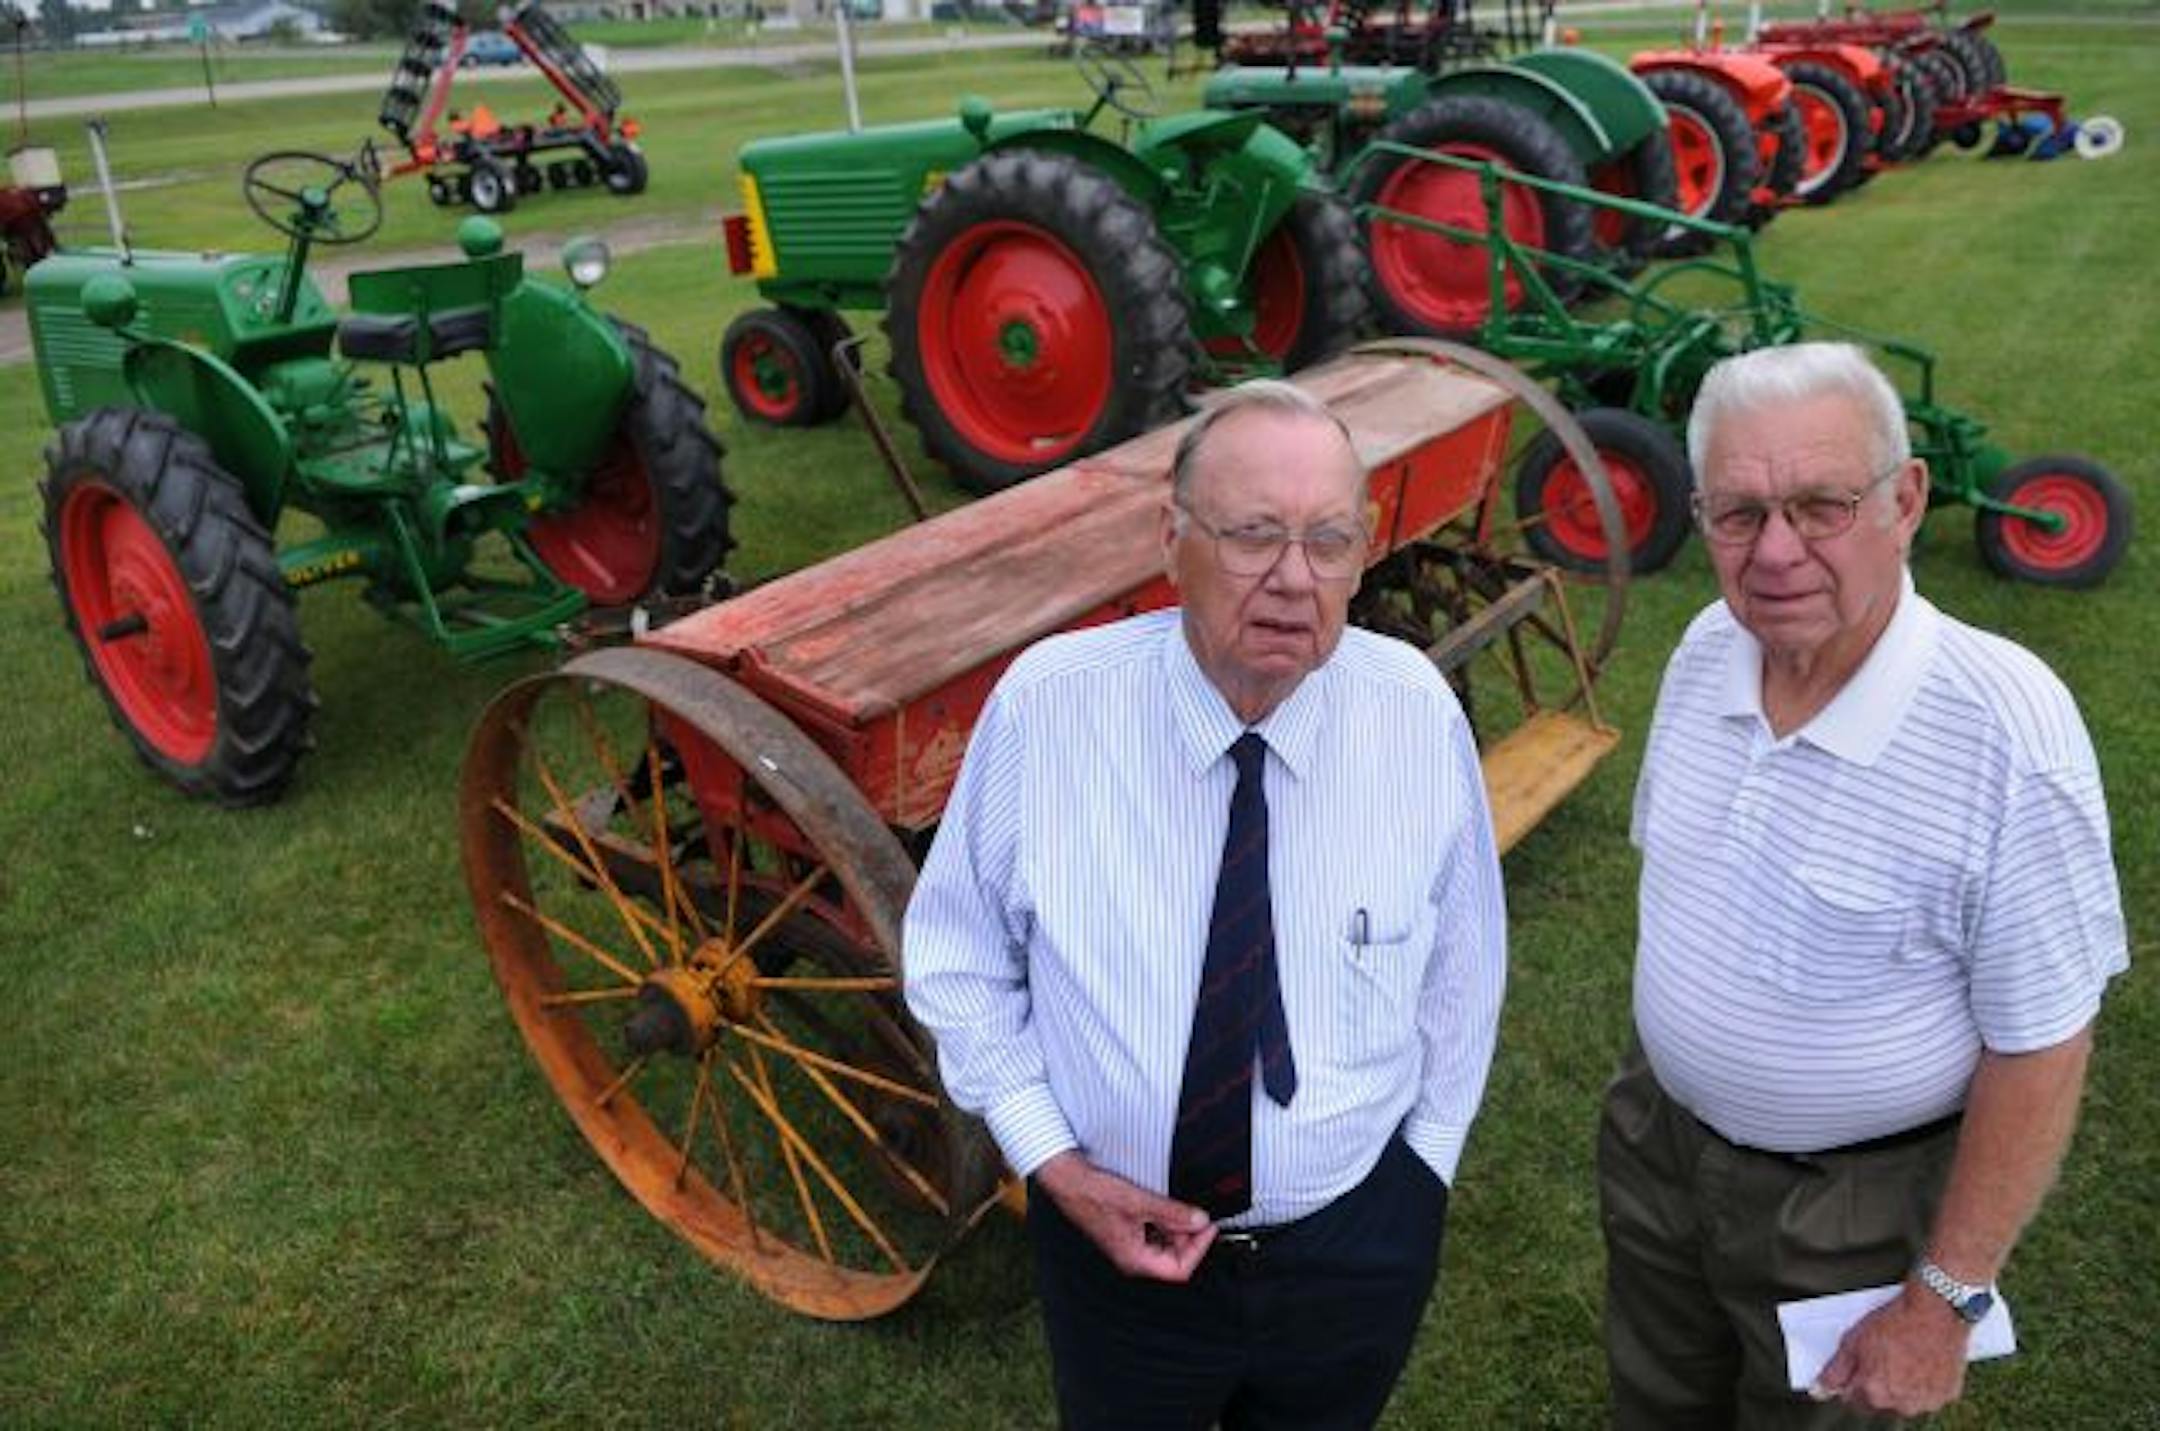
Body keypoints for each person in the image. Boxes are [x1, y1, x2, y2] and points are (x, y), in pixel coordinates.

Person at [903, 379, 1506, 1429]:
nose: (1293, 579)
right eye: (1253, 535)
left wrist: (1423, 1177)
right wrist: (1054, 1163)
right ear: (1171, 538)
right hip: (1111, 1251)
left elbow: (1463, 963)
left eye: (1329, 541)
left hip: (1356, 1250)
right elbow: (957, 957)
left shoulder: (1412, 712)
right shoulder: (1050, 710)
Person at [1601, 342, 2128, 1427]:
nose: (1776, 552)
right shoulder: (1706, 648)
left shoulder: (2007, 733)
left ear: (1906, 500)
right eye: (1739, 514)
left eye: (1821, 505)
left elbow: (2042, 1044)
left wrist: (1943, 1298)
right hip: (1660, 1148)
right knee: (1655, 1400)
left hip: (1853, 1210)